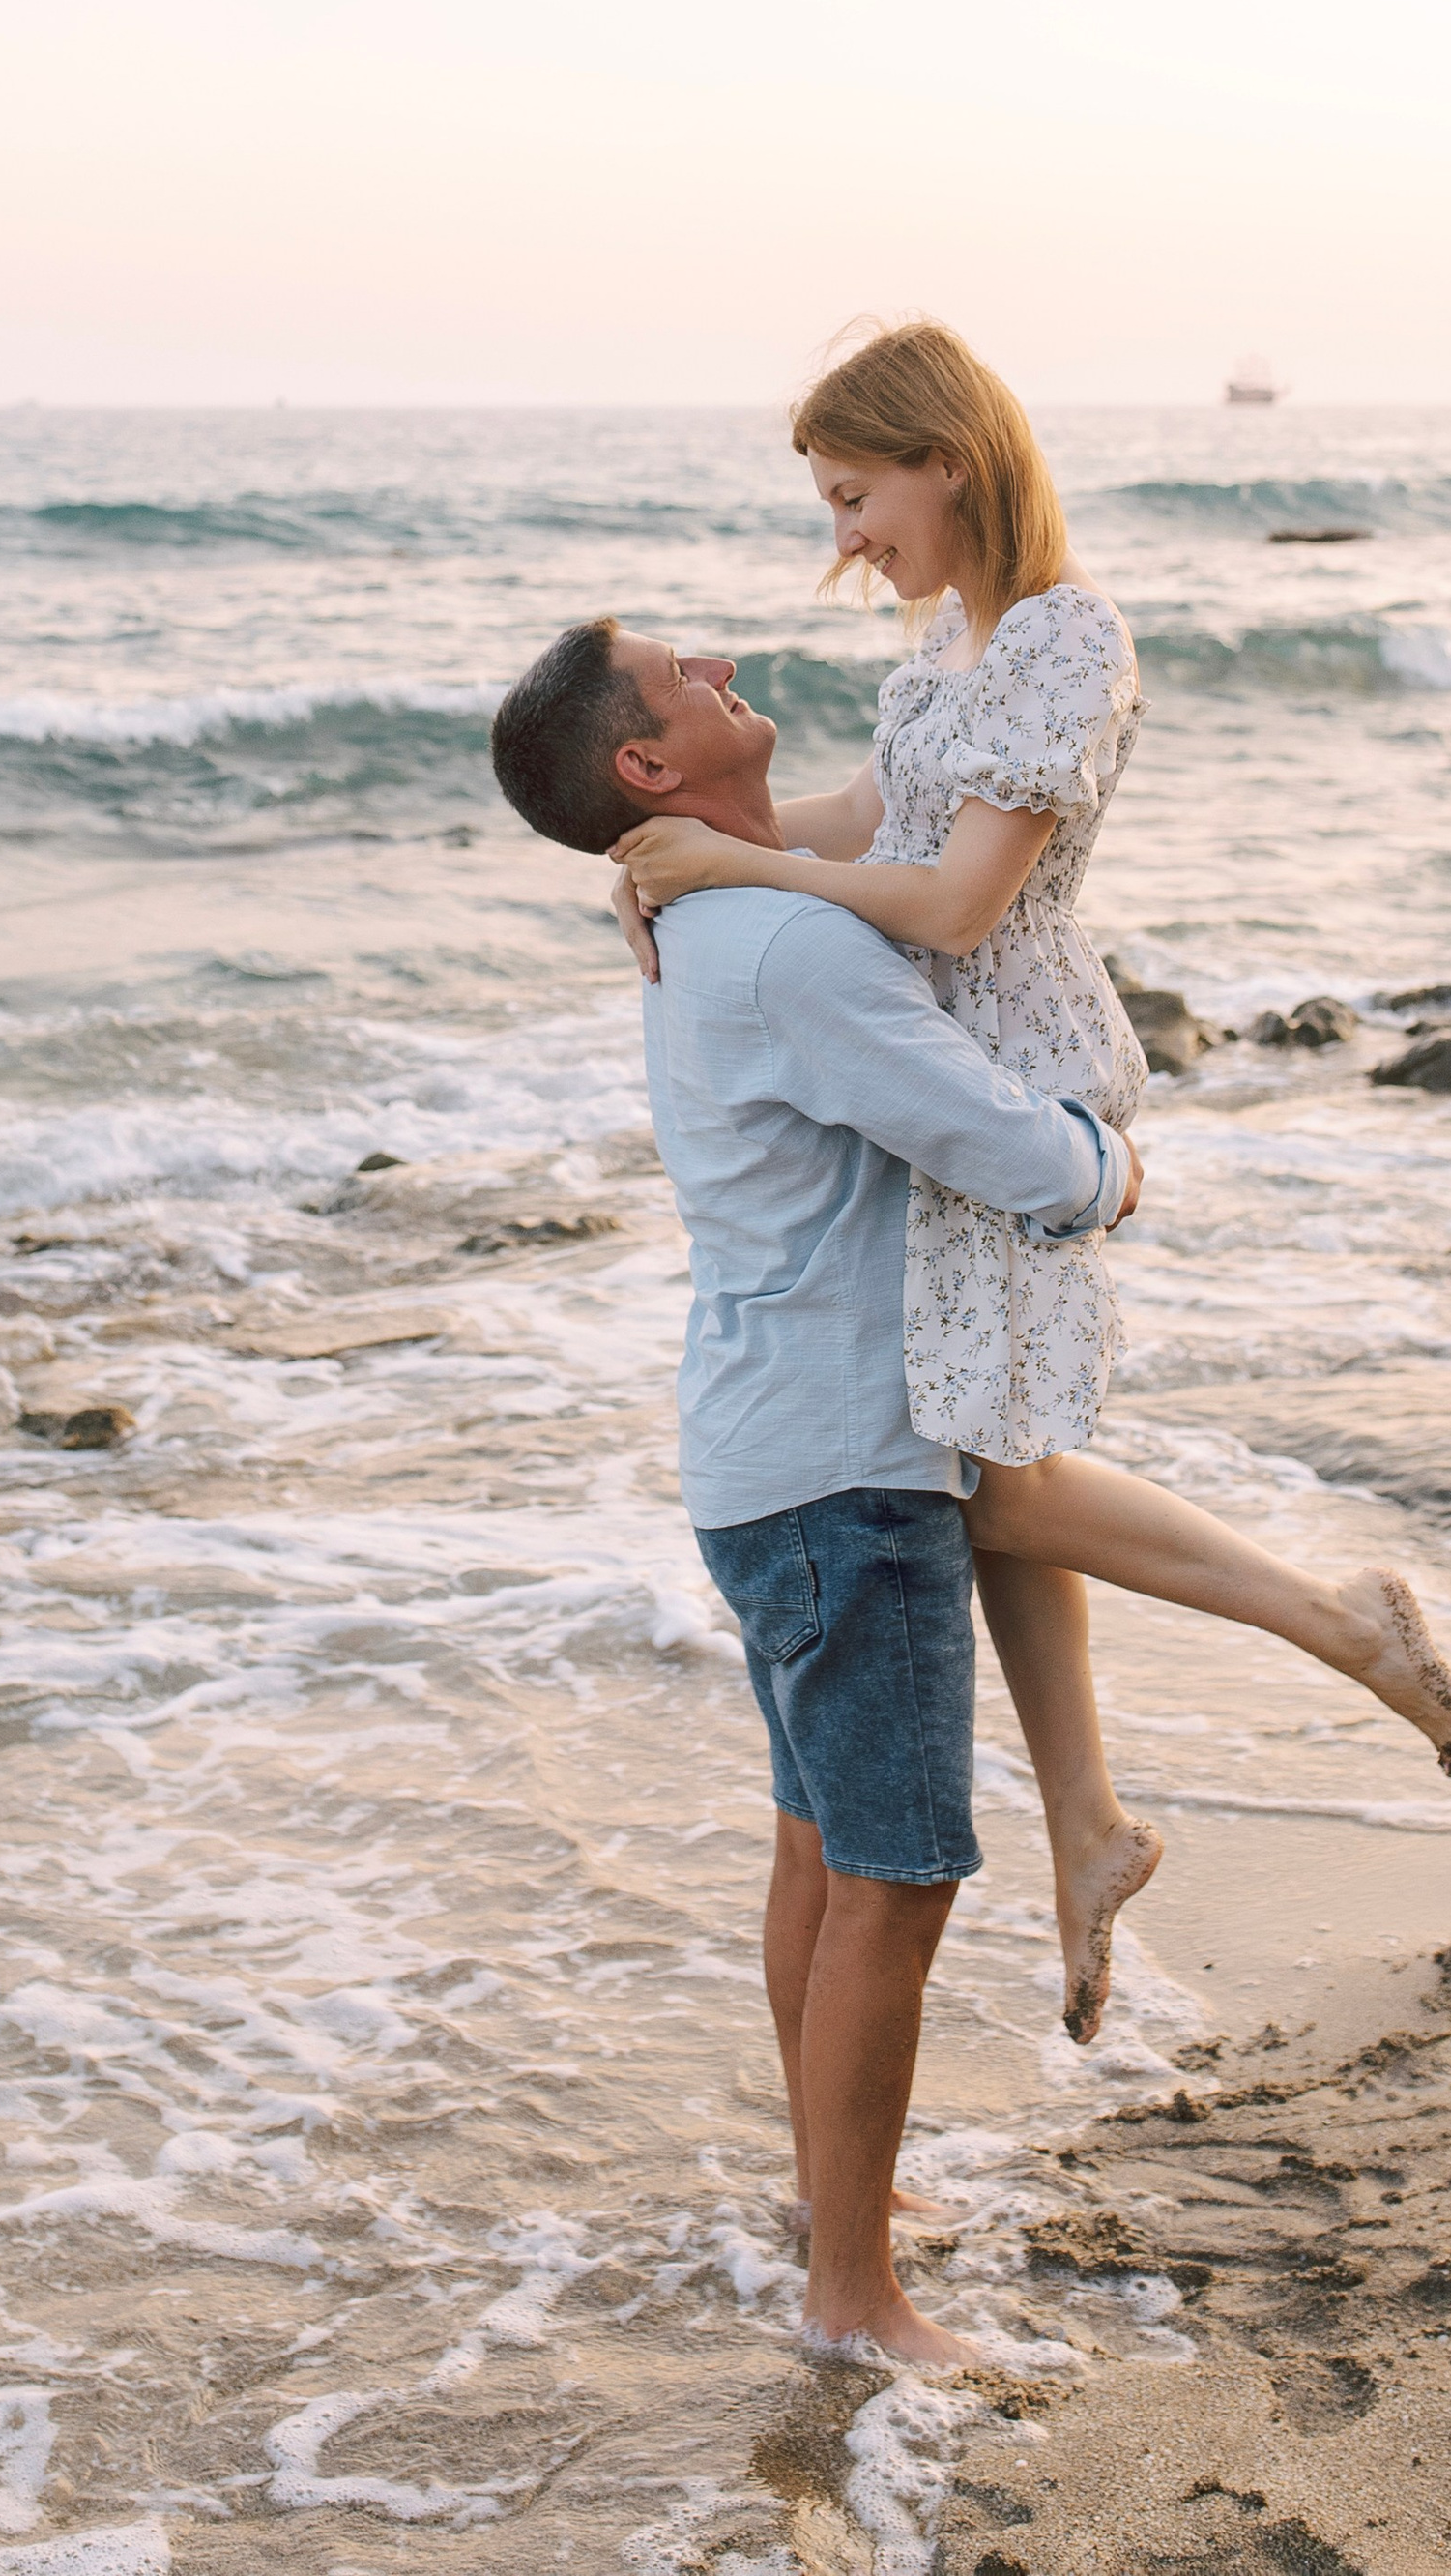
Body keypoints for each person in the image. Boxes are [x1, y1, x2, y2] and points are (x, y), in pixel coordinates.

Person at [608, 327, 1451, 2035]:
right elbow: (871, 818)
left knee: (985, 1477)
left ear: (948, 456)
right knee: (994, 1445)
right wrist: (689, 864)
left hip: (1014, 1069)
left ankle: (1340, 1621)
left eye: (858, 494)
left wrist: (721, 851)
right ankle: (1087, 1822)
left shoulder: (1067, 636)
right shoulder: (958, 645)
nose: (847, 534)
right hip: (948, 1068)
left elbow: (953, 909)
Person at [489, 613, 1137, 2364]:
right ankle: (856, 2296)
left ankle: (834, 2206)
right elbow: (1004, 1149)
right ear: (649, 766)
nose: (717, 658)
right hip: (846, 1473)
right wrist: (1112, 1164)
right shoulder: (780, 944)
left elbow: (897, 842)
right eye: (676, 667)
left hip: (768, 1452)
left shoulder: (722, 914)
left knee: (822, 1855)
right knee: (900, 1874)